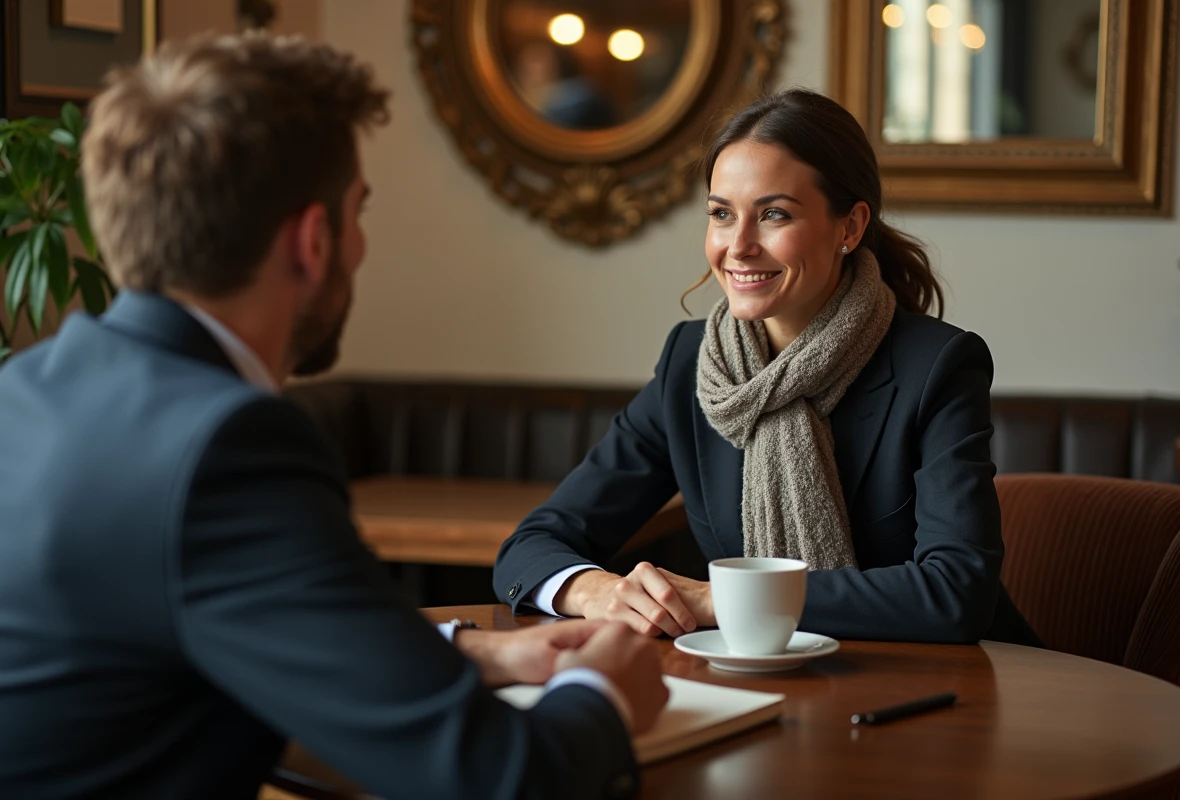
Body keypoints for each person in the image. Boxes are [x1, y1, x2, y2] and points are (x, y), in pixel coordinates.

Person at [0, 33, 667, 800]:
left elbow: (188, 619)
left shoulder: (26, 388)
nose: (360, 245)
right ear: (314, 241)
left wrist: (475, 653)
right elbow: (504, 781)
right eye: (358, 214)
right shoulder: (227, 447)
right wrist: (605, 693)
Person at [493, 88, 1039, 647]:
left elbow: (957, 593)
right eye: (722, 214)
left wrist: (721, 598)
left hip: (949, 695)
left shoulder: (937, 366)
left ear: (849, 228)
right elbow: (532, 545)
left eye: (774, 214)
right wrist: (591, 590)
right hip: (765, 690)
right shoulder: (691, 365)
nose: (740, 246)